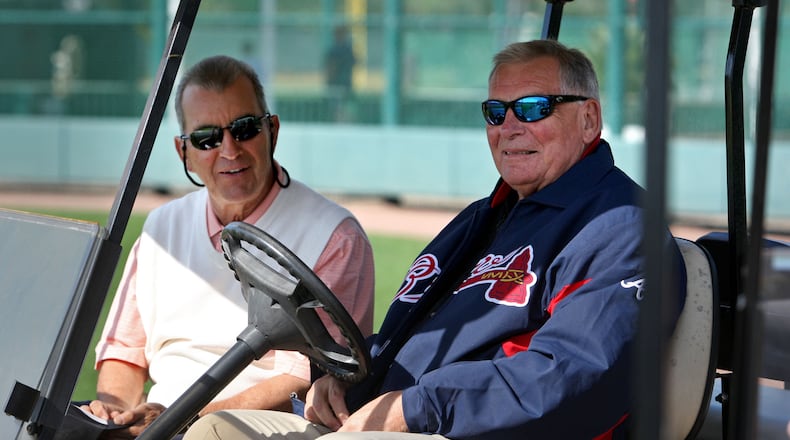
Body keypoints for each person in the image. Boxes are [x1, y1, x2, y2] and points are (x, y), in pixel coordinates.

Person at [184, 39, 686, 439]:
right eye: (496, 111)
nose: (509, 127)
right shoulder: (481, 219)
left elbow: (572, 380)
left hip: (466, 428)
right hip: (397, 419)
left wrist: (415, 406)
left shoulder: (620, 227)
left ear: (589, 119)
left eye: (533, 108)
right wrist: (339, 384)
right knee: (213, 432)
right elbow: (408, 343)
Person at [81, 55, 375, 438]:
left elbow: (303, 381)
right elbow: (125, 351)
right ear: (183, 150)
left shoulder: (335, 235)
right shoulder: (160, 228)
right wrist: (117, 414)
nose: (230, 150)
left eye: (245, 129)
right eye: (207, 138)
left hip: (269, 427)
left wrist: (180, 418)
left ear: (273, 130)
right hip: (160, 420)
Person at [324, 26, 356, 121]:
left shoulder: (339, 49)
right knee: (340, 108)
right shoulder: (344, 49)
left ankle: (342, 124)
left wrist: (329, 80)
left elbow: (331, 67)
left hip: (340, 84)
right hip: (342, 84)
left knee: (340, 108)